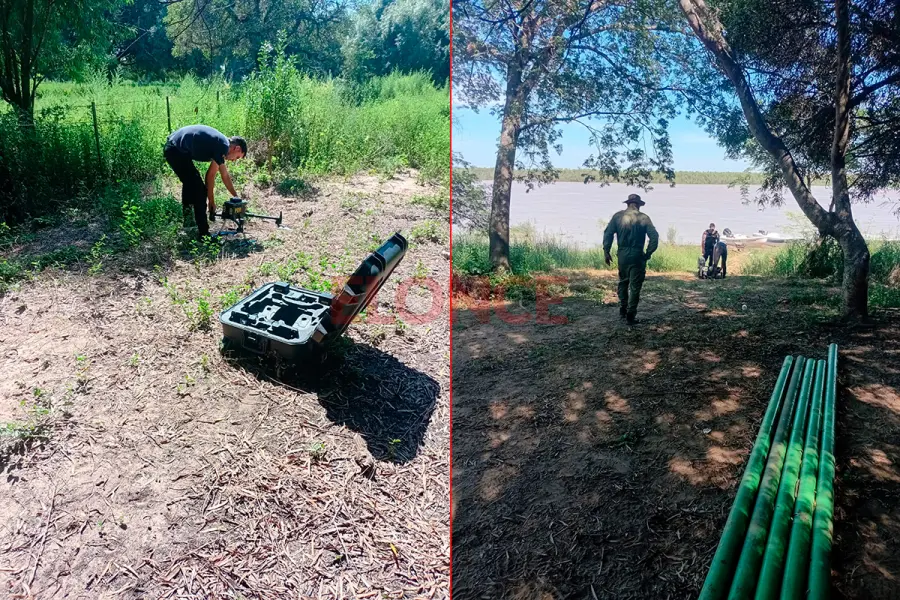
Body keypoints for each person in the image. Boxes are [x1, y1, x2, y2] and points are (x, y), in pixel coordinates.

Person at [164, 125, 247, 240]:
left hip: (175, 148)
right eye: (237, 157)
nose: (233, 160)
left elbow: (224, 175)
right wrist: (210, 201)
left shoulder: (221, 145)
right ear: (236, 148)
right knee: (199, 190)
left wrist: (236, 198)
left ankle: (189, 223)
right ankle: (203, 234)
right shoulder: (223, 145)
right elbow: (210, 176)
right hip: (175, 150)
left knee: (190, 182)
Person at [603, 194, 659, 325]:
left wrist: (606, 250)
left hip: (622, 254)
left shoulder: (618, 216)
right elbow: (654, 237)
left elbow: (608, 233)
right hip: (637, 254)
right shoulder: (644, 218)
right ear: (638, 204)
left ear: (628, 204)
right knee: (635, 286)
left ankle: (623, 308)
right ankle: (630, 314)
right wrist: (648, 253)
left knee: (623, 282)